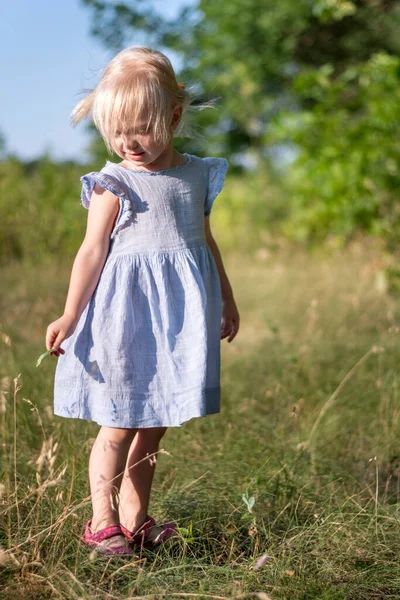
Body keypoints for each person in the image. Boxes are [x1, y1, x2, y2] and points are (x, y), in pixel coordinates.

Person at [45, 46, 240, 555]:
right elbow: (91, 252)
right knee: (119, 423)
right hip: (124, 320)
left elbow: (204, 240)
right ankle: (101, 520)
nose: (127, 143)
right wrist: (70, 313)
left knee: (153, 428)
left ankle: (137, 518)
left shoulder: (197, 175)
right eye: (115, 132)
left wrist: (227, 298)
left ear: (174, 116)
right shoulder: (116, 182)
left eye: (141, 130)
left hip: (179, 321)